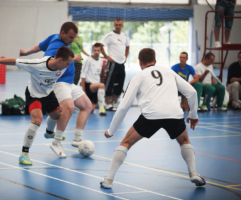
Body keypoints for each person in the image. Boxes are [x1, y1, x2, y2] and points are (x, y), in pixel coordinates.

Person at [100, 48, 205, 189]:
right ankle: (193, 173)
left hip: (150, 116)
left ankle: (108, 180)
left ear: (139, 62)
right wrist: (193, 115)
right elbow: (192, 92)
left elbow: (124, 106)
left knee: (126, 143)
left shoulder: (138, 77)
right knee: (184, 141)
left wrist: (111, 130)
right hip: (174, 114)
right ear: (155, 61)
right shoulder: (169, 71)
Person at [0, 46, 74, 162]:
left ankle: (49, 132)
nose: (68, 66)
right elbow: (14, 61)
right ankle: (24, 154)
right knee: (37, 120)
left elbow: (70, 59)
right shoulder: (37, 65)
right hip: (34, 94)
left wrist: (76, 58)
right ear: (60, 59)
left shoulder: (64, 65)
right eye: (67, 63)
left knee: (56, 116)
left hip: (49, 93)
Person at [19, 22, 93, 155]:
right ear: (63, 33)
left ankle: (76, 139)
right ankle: (56, 142)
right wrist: (73, 59)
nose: (73, 40)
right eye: (71, 37)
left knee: (87, 106)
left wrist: (27, 52)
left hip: (70, 82)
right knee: (69, 108)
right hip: (60, 82)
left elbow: (39, 46)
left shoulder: (54, 37)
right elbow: (51, 63)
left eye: (75, 37)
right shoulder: (57, 48)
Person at [100, 18, 130, 111]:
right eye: (116, 24)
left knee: (119, 84)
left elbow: (127, 46)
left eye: (119, 25)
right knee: (109, 83)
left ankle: (115, 104)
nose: (118, 26)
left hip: (121, 64)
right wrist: (106, 56)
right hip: (112, 63)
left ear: (122, 25)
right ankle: (108, 104)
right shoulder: (110, 36)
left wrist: (125, 57)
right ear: (114, 25)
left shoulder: (125, 36)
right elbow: (100, 45)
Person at [81, 43, 106, 115]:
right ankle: (102, 108)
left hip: (96, 87)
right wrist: (84, 91)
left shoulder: (101, 60)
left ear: (101, 51)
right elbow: (83, 75)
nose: (96, 52)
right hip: (89, 86)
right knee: (102, 85)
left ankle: (85, 106)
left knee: (91, 110)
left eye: (98, 50)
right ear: (92, 50)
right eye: (95, 50)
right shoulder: (88, 60)